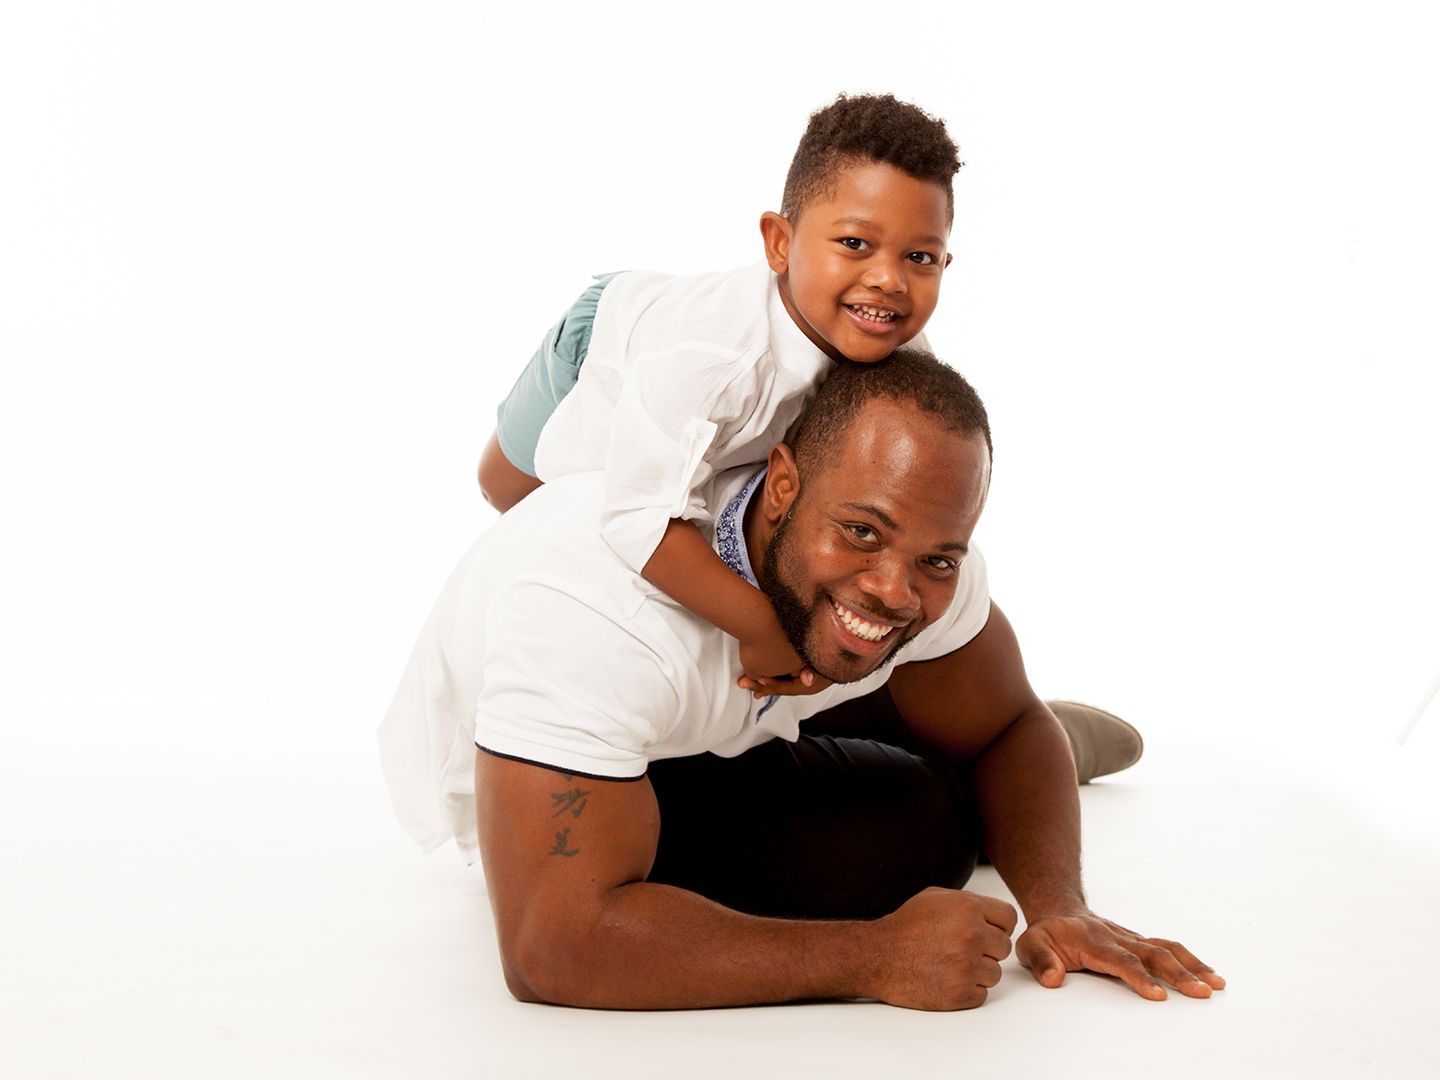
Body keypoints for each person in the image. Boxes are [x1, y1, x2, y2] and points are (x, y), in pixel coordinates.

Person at [380, 349, 1224, 1011]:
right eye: (861, 532)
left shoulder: (918, 565)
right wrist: (876, 958)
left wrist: (1060, 905)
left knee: (886, 651)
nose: (897, 584)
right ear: (780, 486)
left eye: (935, 557)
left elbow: (1009, 723)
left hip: (746, 693)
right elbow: (551, 948)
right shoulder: (595, 615)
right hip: (608, 754)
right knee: (920, 834)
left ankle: (973, 739)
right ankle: (950, 767)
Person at [477, 93, 961, 693]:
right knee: (514, 492)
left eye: (920, 257)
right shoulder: (709, 361)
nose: (889, 279)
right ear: (779, 243)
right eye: (855, 245)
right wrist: (759, 626)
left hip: (700, 376)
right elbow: (636, 517)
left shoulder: (901, 353)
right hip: (606, 337)